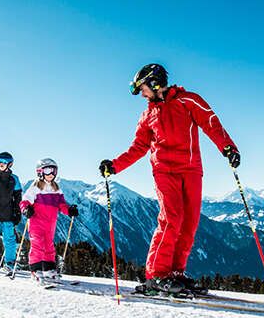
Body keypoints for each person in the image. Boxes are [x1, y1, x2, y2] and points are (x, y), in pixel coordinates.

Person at [99, 63, 241, 295]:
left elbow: (211, 123)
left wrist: (228, 148)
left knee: (190, 222)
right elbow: (138, 147)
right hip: (164, 171)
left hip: (191, 170)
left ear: (155, 83)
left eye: (143, 88)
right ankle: (156, 275)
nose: (142, 94)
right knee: (171, 218)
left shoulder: (189, 101)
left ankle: (175, 272)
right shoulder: (148, 115)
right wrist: (115, 166)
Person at [19, 158, 79, 283]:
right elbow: (24, 201)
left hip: (50, 224)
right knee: (38, 245)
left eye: (54, 170)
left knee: (49, 246)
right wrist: (26, 209)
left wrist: (69, 210)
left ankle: (49, 269)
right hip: (36, 223)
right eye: (47, 170)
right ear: (40, 172)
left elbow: (61, 205)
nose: (51, 173)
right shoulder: (35, 188)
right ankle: (35, 270)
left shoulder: (56, 189)